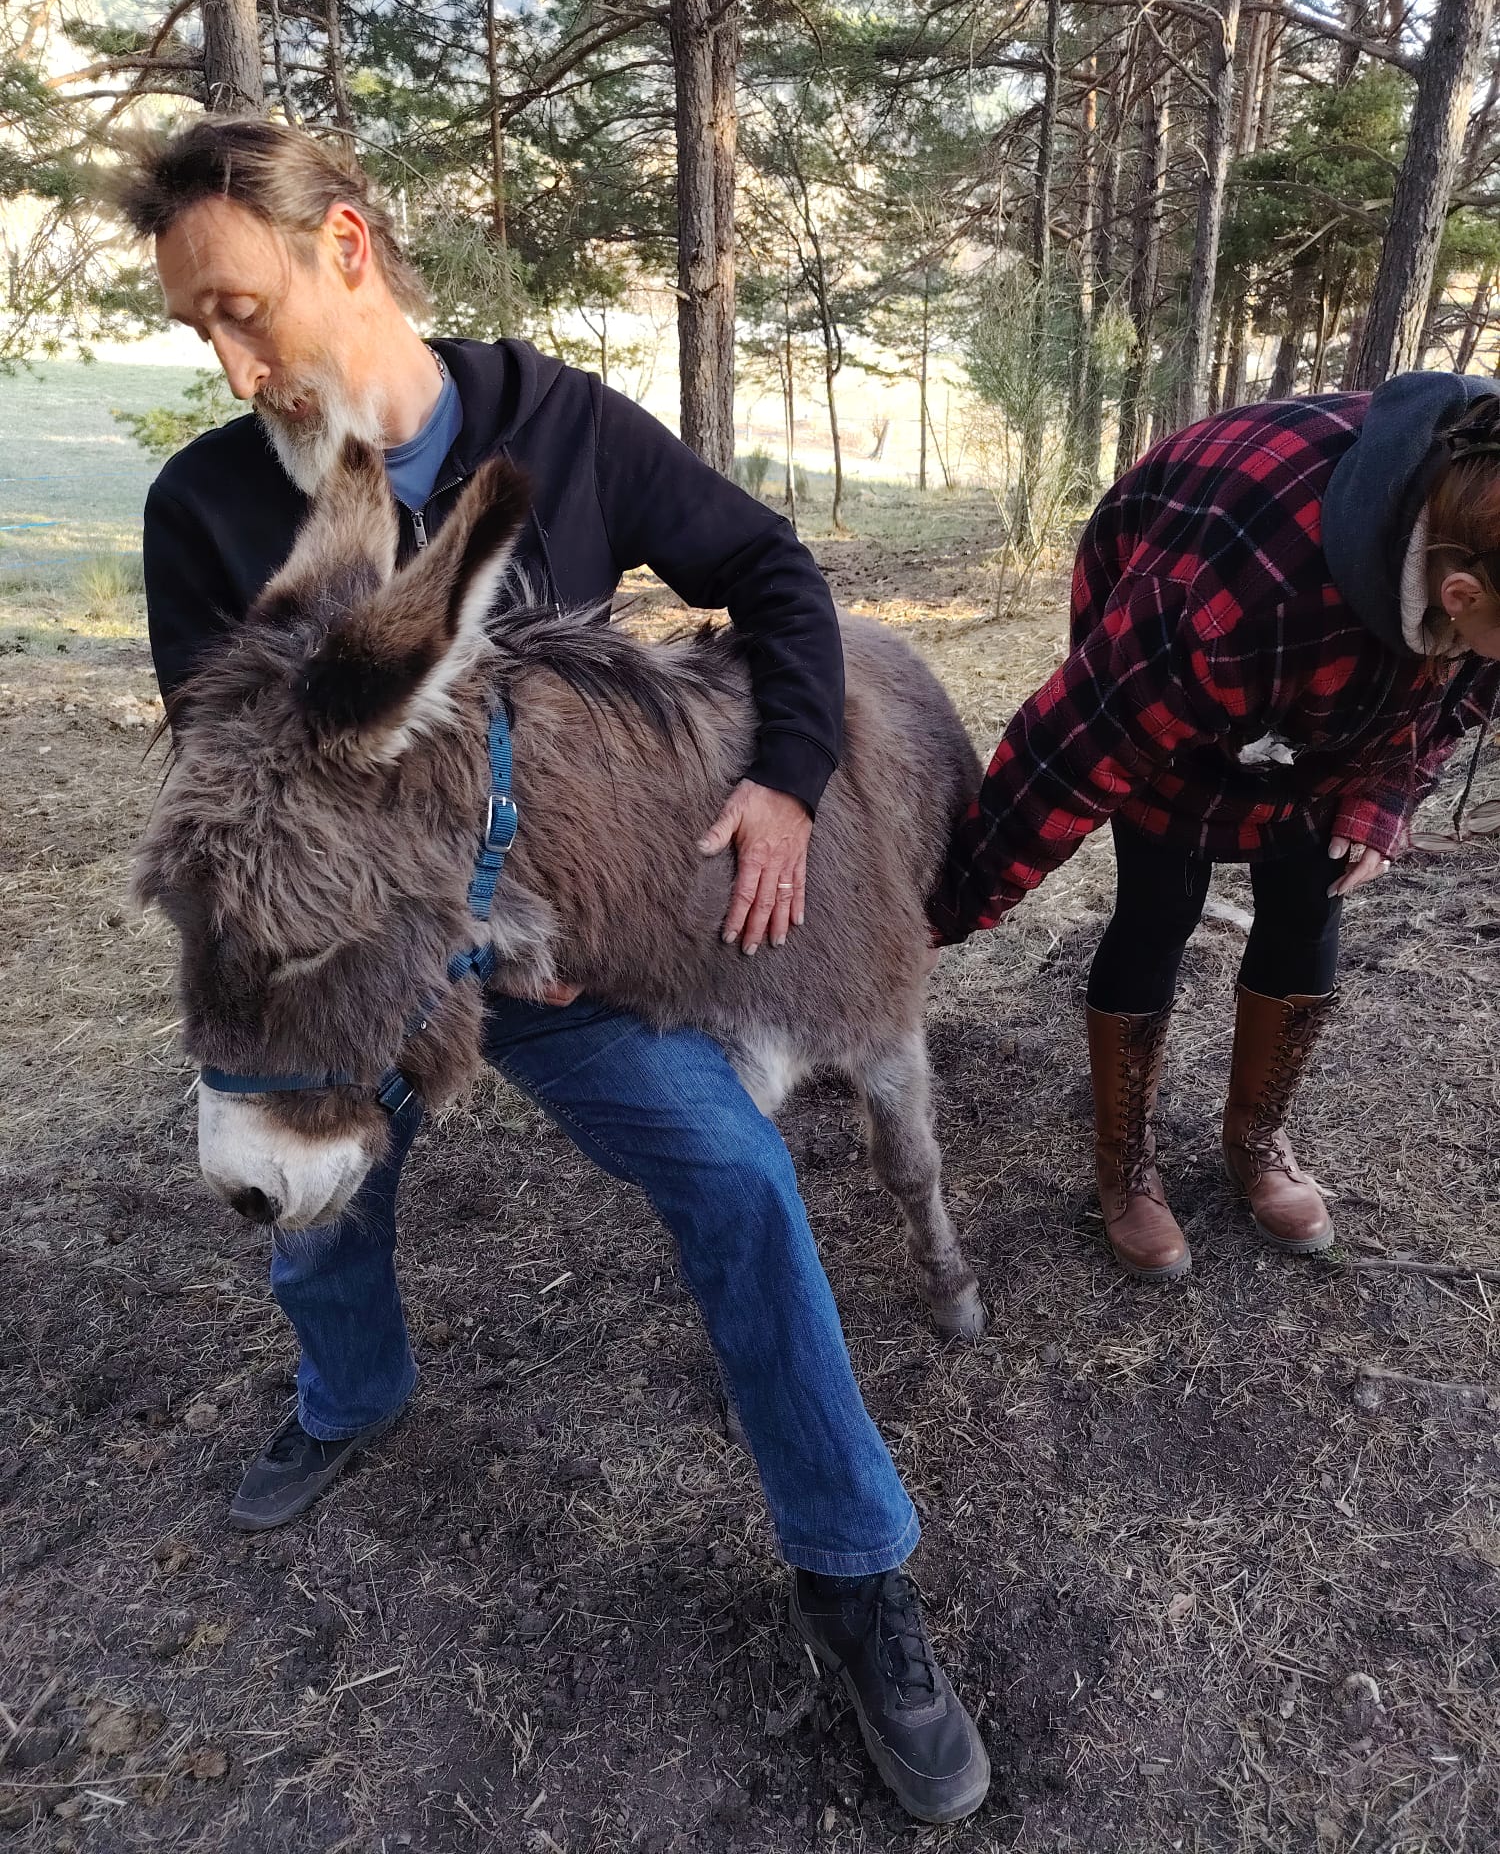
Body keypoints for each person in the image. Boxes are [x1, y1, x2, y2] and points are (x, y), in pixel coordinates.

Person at [115, 117, 988, 1826]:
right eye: (195, 331)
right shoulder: (204, 510)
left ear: (344, 251)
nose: (229, 363)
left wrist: (785, 780)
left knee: (737, 1176)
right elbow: (221, 779)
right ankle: (349, 1390)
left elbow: (772, 579)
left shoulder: (556, 424)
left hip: (572, 957)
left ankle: (854, 1576)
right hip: (357, 951)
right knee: (315, 1143)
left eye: (243, 310)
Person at [929, 378, 1500, 1280]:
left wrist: (1384, 794)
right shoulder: (1226, 598)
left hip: (1338, 683)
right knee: (1159, 905)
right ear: (1460, 592)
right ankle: (1127, 1171)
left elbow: (1465, 697)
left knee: (1310, 903)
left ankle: (1255, 1139)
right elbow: (1074, 750)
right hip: (1192, 637)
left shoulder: (1483, 575)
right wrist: (947, 907)